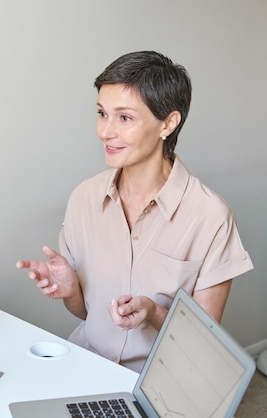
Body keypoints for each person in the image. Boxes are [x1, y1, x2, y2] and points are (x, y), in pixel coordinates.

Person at [16, 51, 253, 372]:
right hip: (87, 362)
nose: (105, 131)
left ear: (167, 123)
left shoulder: (210, 216)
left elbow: (205, 341)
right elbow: (87, 314)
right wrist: (71, 290)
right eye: (102, 113)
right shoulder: (84, 198)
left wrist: (154, 314)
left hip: (158, 381)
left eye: (124, 117)